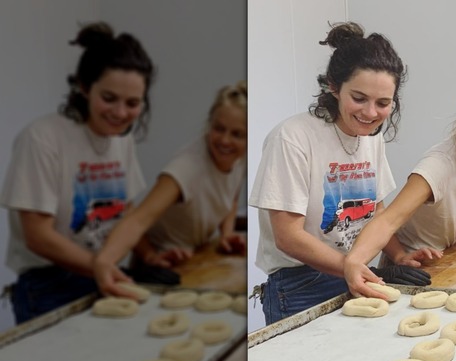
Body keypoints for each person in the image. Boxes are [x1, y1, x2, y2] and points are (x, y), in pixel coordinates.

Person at [249, 22, 430, 325]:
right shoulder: (292, 139)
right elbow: (288, 237)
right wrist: (351, 265)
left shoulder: (371, 137)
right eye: (359, 98)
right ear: (333, 86)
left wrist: (398, 256)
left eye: (383, 103)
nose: (371, 113)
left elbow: (377, 210)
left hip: (354, 272)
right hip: (299, 286)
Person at [0, 22, 153, 324]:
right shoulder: (42, 138)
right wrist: (100, 265)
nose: (121, 113)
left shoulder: (122, 139)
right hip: (48, 285)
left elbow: (128, 211)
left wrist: (149, 254)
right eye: (109, 98)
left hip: (103, 272)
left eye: (132, 103)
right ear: (84, 86)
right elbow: (38, 236)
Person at [343, 80, 456, 297]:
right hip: (409, 266)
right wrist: (354, 261)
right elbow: (386, 221)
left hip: (443, 259)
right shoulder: (438, 166)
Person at [93, 80, 248, 297]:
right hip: (159, 267)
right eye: (218, 128)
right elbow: (137, 219)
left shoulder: (237, 159)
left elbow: (230, 196)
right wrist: (105, 260)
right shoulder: (187, 168)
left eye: (237, 134)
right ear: (209, 124)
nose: (224, 140)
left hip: (193, 260)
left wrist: (227, 232)